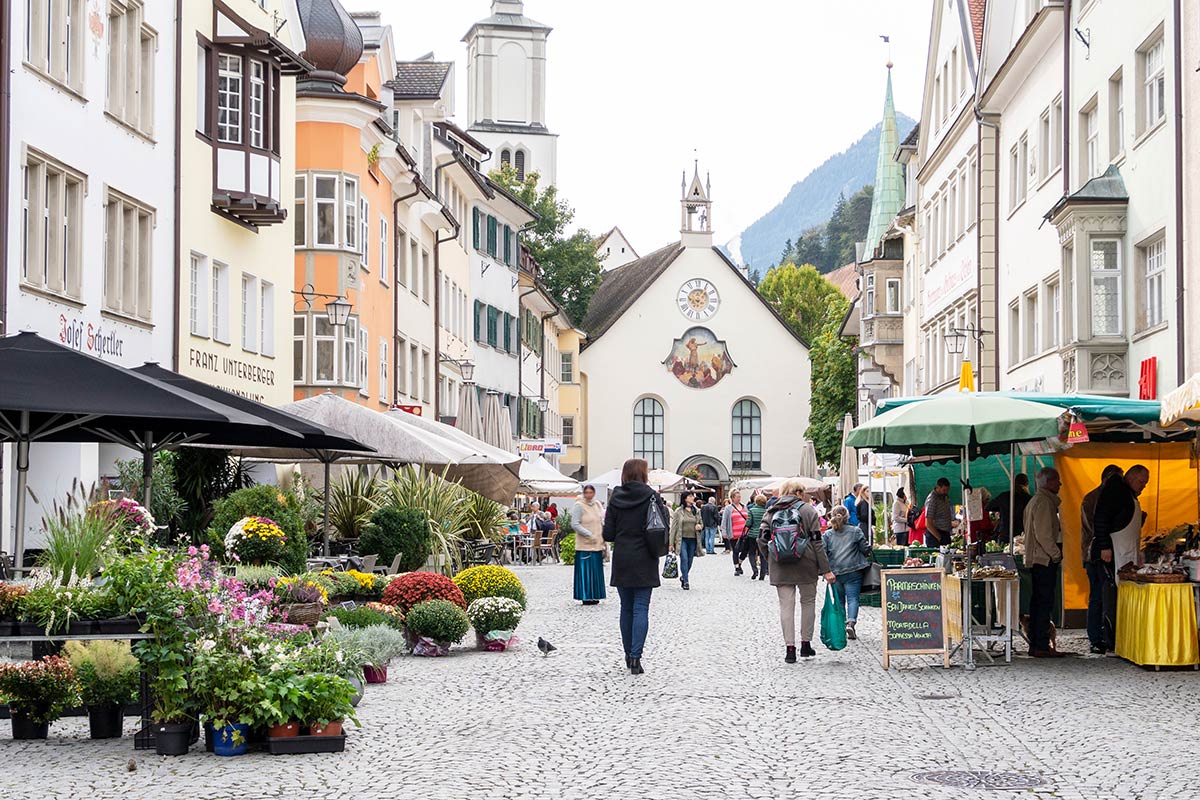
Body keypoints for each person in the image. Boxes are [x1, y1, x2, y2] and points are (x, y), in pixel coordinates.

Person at [602, 458, 669, 675]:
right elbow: (662, 526)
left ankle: (627, 652)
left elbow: (608, 534)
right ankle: (635, 657)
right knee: (641, 608)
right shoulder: (652, 496)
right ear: (643, 474)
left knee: (626, 608)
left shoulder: (615, 498)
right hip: (645, 557)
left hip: (623, 558)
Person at [761, 479, 835, 662]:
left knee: (786, 606)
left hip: (780, 565)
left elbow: (761, 539)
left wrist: (770, 558)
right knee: (808, 602)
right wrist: (826, 569)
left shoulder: (770, 512)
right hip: (806, 564)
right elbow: (818, 542)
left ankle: (790, 649)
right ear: (800, 493)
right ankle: (806, 645)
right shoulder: (809, 510)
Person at [1081, 465, 1123, 654]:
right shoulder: (1095, 499)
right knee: (1098, 596)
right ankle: (1096, 638)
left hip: (1099, 552)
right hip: (1095, 555)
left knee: (1101, 596)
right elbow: (1093, 528)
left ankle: (1102, 636)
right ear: (1107, 479)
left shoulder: (1100, 497)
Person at [1024, 467, 1064, 658]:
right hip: (1044, 559)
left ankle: (1038, 643)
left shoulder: (1035, 501)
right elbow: (1044, 535)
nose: (1060, 484)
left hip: (1039, 558)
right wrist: (1056, 554)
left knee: (1038, 602)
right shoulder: (1044, 503)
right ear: (1048, 483)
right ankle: (1040, 644)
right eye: (1057, 481)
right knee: (1043, 603)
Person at [823, 505, 871, 640]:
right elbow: (865, 548)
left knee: (839, 600)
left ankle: (842, 625)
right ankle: (851, 623)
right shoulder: (855, 531)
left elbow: (823, 554)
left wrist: (825, 571)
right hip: (853, 570)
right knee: (853, 598)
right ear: (847, 516)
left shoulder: (827, 534)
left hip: (835, 572)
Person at [570, 485, 608, 606]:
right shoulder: (579, 506)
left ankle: (596, 594)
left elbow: (601, 520)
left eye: (591, 492)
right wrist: (588, 534)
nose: (589, 495)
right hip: (584, 544)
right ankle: (586, 595)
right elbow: (575, 524)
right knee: (585, 570)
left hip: (597, 543)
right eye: (587, 492)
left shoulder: (597, 505)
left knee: (596, 570)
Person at [668, 492, 703, 590]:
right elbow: (673, 528)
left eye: (693, 496)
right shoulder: (678, 511)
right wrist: (671, 543)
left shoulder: (696, 511)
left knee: (690, 561)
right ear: (685, 498)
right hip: (681, 539)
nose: (693, 498)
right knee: (684, 559)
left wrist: (700, 526)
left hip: (693, 539)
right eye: (690, 496)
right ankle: (686, 582)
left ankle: (683, 576)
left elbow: (701, 523)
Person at [987, 474, 1031, 543]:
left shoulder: (1003, 496)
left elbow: (988, 507)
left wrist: (1002, 508)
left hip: (1005, 533)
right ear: (1027, 484)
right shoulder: (1028, 498)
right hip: (1021, 535)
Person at [722, 490, 752, 576]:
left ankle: (739, 562)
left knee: (745, 550)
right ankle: (737, 568)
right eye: (737, 497)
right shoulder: (728, 508)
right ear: (732, 498)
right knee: (735, 550)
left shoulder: (744, 506)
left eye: (740, 497)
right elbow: (724, 521)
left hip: (745, 533)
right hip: (734, 533)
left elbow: (749, 517)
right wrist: (724, 532)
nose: (739, 498)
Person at [924, 478, 956, 547]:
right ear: (938, 487)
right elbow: (928, 523)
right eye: (944, 490)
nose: (946, 492)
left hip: (945, 533)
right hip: (935, 536)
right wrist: (939, 538)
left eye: (947, 490)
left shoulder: (944, 497)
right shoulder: (932, 500)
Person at [747, 493, 769, 580]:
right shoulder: (767, 511)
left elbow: (748, 523)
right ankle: (762, 574)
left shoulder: (751, 510)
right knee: (763, 554)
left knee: (752, 553)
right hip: (763, 534)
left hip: (752, 534)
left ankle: (755, 570)